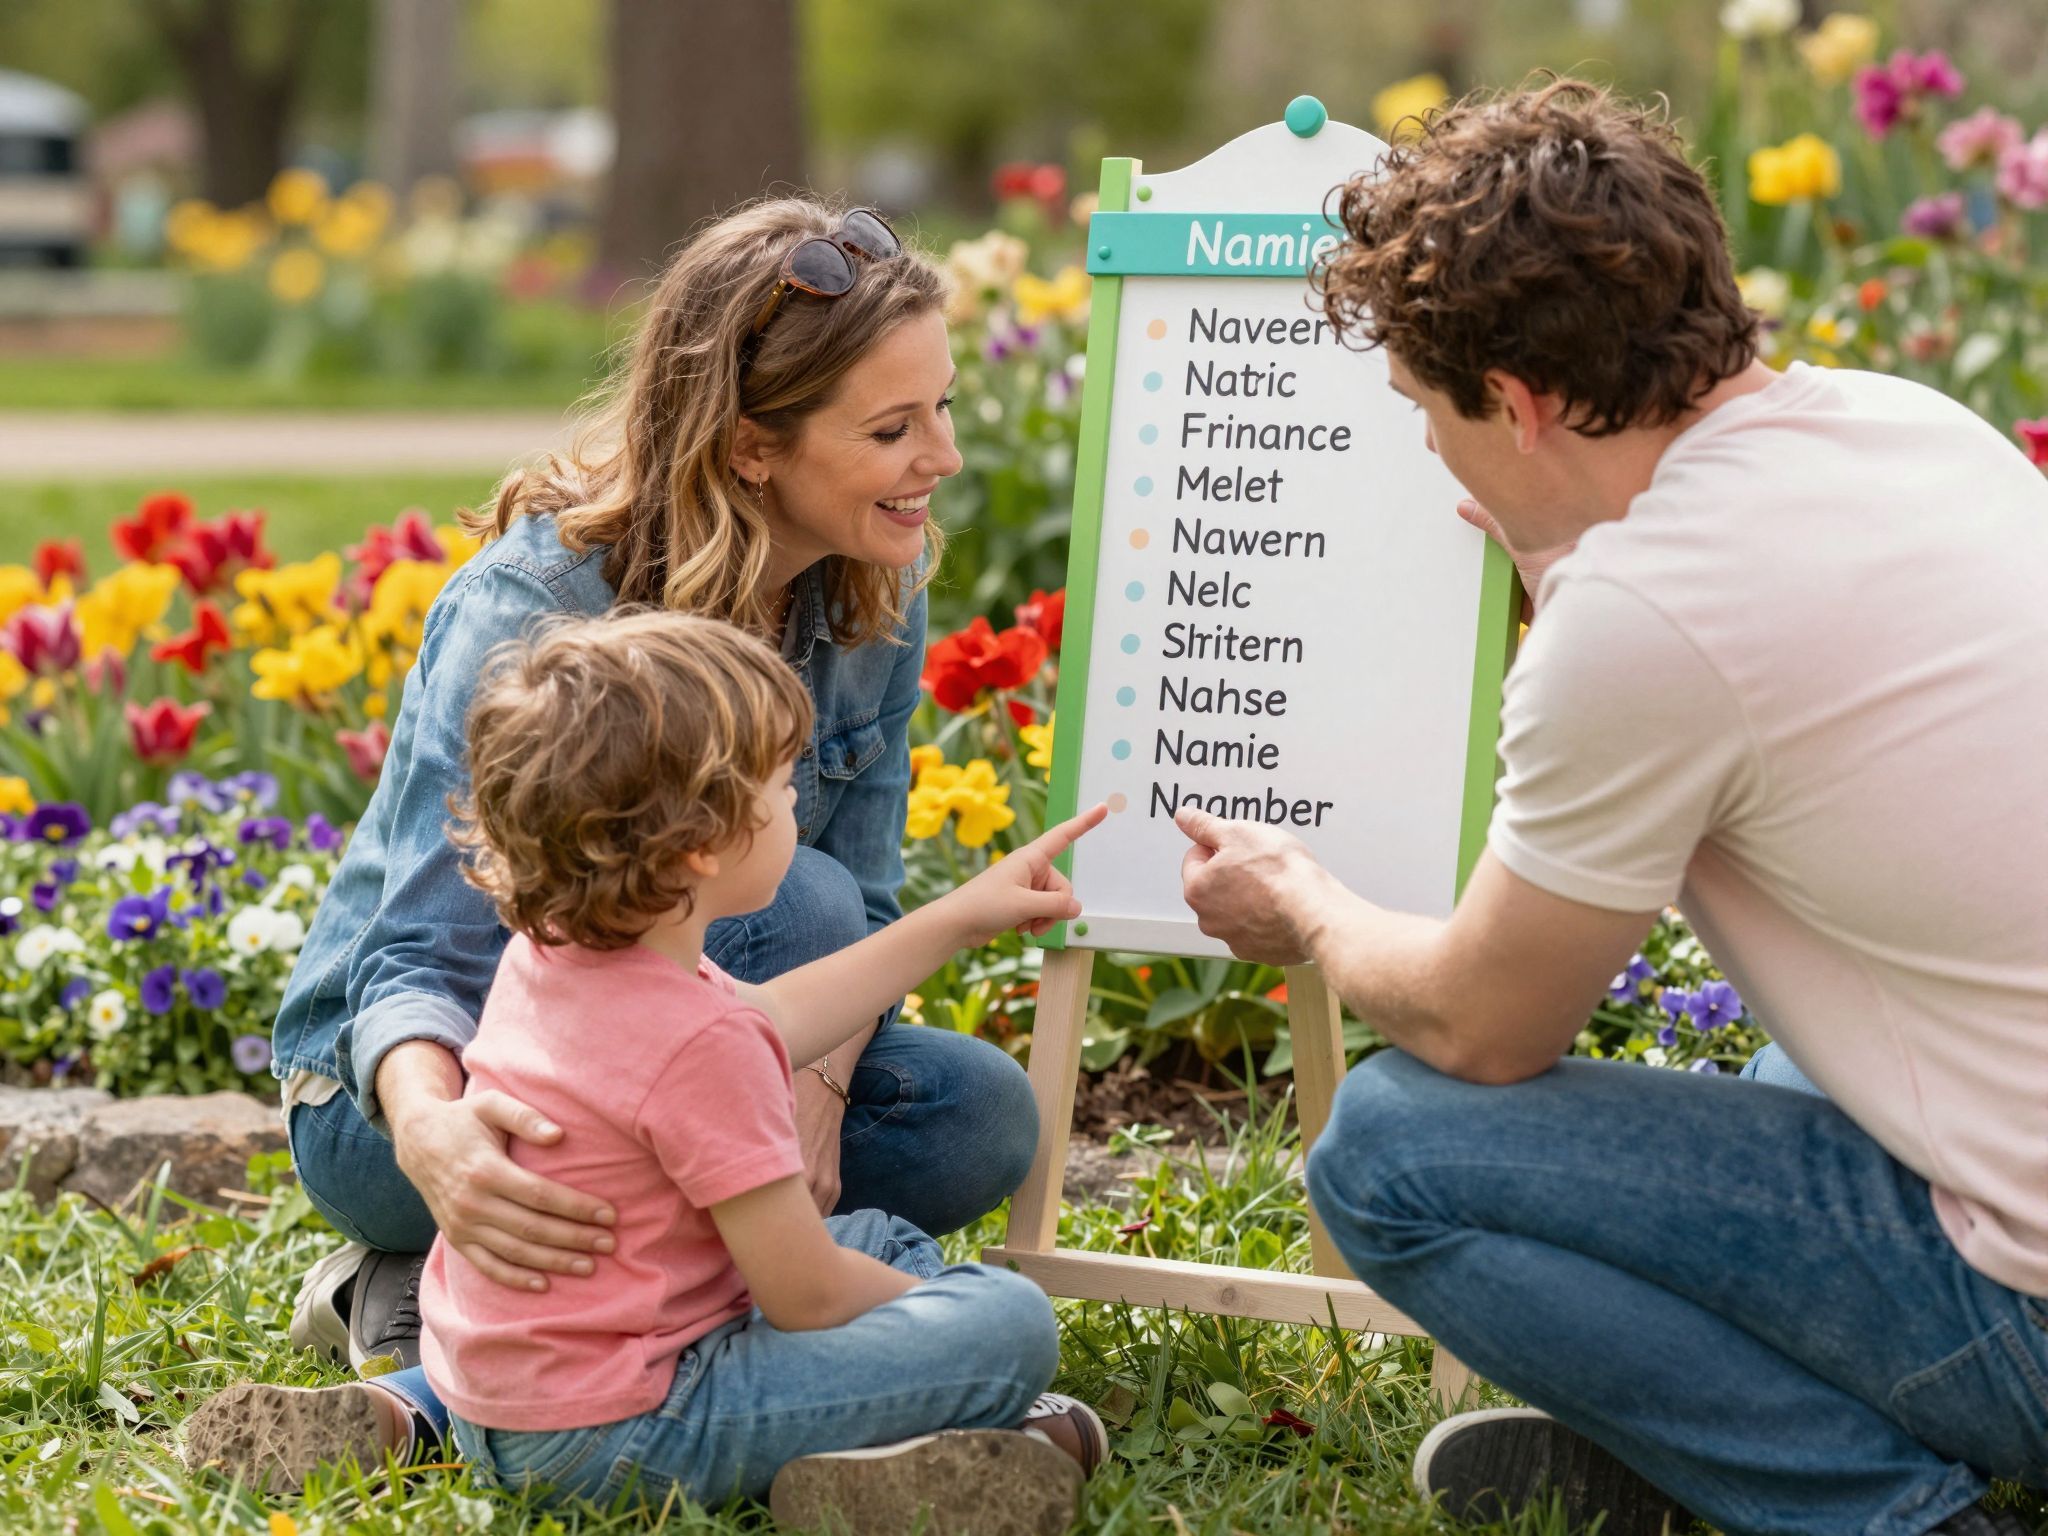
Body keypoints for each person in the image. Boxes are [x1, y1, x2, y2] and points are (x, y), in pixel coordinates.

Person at [1176, 78, 2048, 1536]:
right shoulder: (1907, 427)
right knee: (1791, 1072)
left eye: (1423, 408)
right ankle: (1697, 1450)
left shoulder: (1651, 613)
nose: (1430, 446)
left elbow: (1487, 1027)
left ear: (1515, 405)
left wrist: (1310, 908)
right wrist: (1555, 561)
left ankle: (1890, 1513)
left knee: (1393, 1152)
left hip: (2026, 1319)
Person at [256, 200, 1041, 1452]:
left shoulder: (876, 584)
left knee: (973, 1116)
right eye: (893, 428)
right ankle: (429, 1267)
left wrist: (818, 1096)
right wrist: (439, 1141)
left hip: (691, 1064)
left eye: (942, 407)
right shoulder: (539, 605)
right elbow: (412, 963)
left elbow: (871, 904)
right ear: (747, 448)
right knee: (804, 903)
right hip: (429, 1091)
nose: (939, 458)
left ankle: (506, 1319)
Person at [184, 612, 1107, 1530]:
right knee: (1009, 1322)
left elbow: (779, 1013)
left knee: (879, 1238)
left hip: (494, 1392)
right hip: (622, 1429)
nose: (796, 807)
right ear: (704, 845)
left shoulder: (554, 958)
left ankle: (410, 1410)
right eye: (784, 788)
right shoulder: (700, 1046)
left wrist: (962, 915)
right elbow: (804, 1293)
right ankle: (916, 1444)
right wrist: (944, 1326)